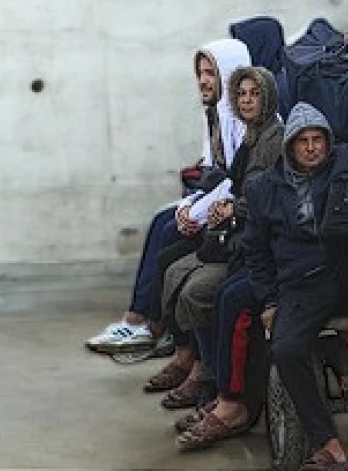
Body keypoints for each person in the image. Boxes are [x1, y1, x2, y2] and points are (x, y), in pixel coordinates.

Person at [245, 103, 348, 470]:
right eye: (302, 141)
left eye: (317, 139)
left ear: (328, 141)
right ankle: (329, 444)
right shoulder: (263, 189)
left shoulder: (347, 159)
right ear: (289, 146)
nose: (311, 147)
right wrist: (269, 302)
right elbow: (254, 253)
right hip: (302, 283)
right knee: (285, 350)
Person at [85, 38, 249, 354]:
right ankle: (138, 319)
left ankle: (153, 325)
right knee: (164, 218)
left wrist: (194, 213)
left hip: (234, 211)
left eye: (211, 73)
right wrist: (188, 205)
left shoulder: (243, 118)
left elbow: (237, 180)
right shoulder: (214, 113)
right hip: (214, 200)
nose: (202, 81)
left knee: (170, 233)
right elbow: (209, 172)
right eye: (200, 73)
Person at [172, 67, 285, 451]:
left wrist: (234, 210)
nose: (247, 100)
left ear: (268, 97)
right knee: (196, 287)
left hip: (261, 247)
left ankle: (228, 401)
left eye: (255, 93)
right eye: (241, 94)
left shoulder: (275, 140)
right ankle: (215, 391)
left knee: (217, 296)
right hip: (245, 244)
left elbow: (272, 198)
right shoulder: (251, 138)